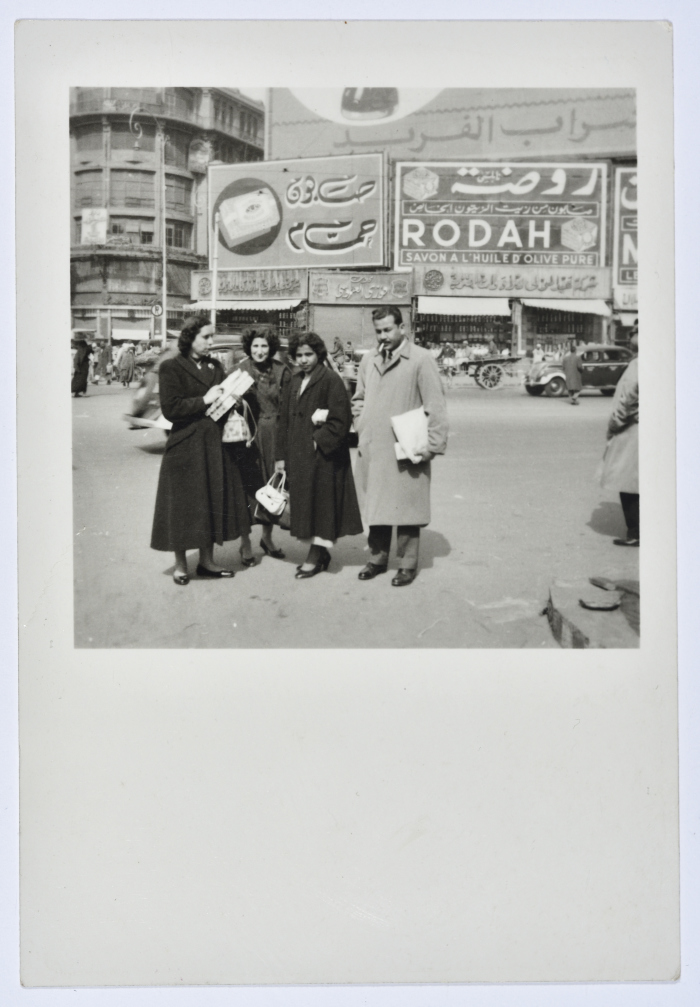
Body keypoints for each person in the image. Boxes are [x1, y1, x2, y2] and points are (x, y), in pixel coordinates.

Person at [150, 315, 252, 585]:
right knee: (183, 506)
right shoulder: (171, 367)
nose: (210, 342)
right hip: (184, 446)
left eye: (211, 337)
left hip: (213, 445)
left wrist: (233, 399)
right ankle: (181, 565)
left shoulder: (215, 367)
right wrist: (203, 400)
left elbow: (220, 407)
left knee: (209, 503)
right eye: (205, 337)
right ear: (189, 338)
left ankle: (207, 561)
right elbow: (171, 409)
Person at [351, 305, 449, 587]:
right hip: (373, 446)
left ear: (402, 328)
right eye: (378, 331)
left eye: (388, 329)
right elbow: (358, 399)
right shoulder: (369, 360)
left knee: (406, 508)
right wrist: (362, 424)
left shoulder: (420, 359)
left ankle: (407, 564)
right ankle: (377, 559)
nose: (383, 336)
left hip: (406, 446)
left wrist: (432, 445)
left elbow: (436, 405)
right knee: (377, 507)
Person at [275, 331, 363, 579]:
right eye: (299, 355)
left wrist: (316, 442)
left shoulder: (330, 380)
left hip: (323, 457)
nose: (303, 360)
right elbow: (284, 420)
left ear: (319, 354)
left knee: (320, 506)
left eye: (308, 354)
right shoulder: (294, 380)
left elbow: (341, 419)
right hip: (298, 456)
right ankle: (321, 553)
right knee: (306, 505)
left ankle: (314, 556)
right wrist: (280, 456)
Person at [237, 326, 291, 560]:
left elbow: (289, 407)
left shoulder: (282, 371)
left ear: (271, 348)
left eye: (264, 346)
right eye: (255, 346)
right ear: (249, 347)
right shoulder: (239, 370)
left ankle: (267, 538)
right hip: (248, 434)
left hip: (276, 435)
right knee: (247, 487)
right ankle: (245, 542)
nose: (259, 351)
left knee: (272, 485)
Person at [600, 325, 639, 546]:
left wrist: (614, 426)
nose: (631, 336)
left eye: (634, 333)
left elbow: (627, 401)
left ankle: (635, 532)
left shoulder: (638, 364)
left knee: (628, 482)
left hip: (632, 430)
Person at [562, 340, 583, 404]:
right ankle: (574, 397)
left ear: (570, 351)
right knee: (578, 388)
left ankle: (572, 400)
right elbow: (579, 367)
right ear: (575, 351)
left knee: (570, 388)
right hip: (576, 375)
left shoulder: (565, 358)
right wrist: (582, 370)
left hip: (568, 374)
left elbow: (563, 367)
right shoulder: (578, 357)